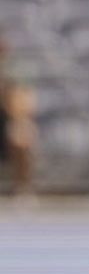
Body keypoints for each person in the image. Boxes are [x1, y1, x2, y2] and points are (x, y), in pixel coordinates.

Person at [0, 32, 36, 198]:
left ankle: (22, 188)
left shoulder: (15, 69)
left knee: (21, 134)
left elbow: (25, 100)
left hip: (8, 117)